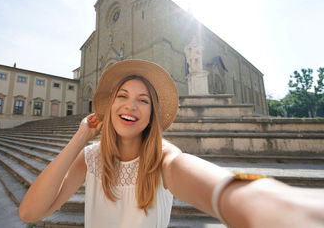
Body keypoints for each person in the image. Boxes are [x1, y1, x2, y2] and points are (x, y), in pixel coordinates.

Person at [19, 59, 324, 228]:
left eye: (143, 100)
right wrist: (81, 136)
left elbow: (201, 178)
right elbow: (30, 213)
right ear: (110, 106)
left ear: (152, 114)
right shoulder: (91, 157)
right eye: (122, 97)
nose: (131, 106)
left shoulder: (164, 159)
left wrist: (257, 200)